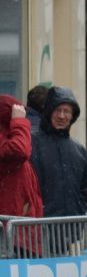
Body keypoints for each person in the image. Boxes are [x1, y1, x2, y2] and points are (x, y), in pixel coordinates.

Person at [30, 86, 87, 217]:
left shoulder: (80, 151)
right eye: (57, 110)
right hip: (39, 225)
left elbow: (83, 190)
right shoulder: (32, 142)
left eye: (67, 111)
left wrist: (78, 214)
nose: (62, 116)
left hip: (71, 227)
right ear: (49, 112)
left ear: (72, 115)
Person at [0, 95, 44, 255]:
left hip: (20, 233)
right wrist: (19, 123)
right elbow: (20, 150)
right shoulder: (13, 142)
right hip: (10, 233)